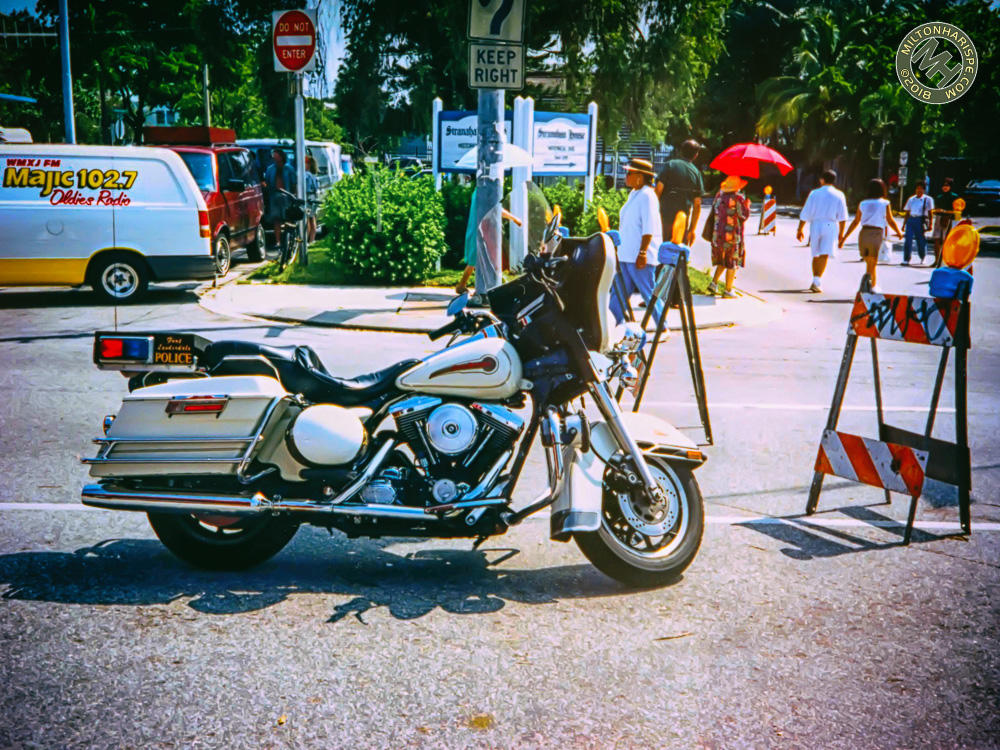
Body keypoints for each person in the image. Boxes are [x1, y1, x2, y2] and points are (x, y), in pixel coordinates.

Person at [609, 158, 664, 325]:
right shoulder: (634, 194)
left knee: (648, 293)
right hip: (626, 253)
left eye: (629, 173)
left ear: (640, 177)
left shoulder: (648, 196)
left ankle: (663, 326)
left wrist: (643, 252)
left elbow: (649, 228)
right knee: (618, 293)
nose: (626, 176)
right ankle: (612, 324)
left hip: (639, 255)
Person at [839, 178, 902, 292]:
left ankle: (869, 284)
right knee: (873, 263)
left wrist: (844, 238)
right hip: (876, 233)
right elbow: (890, 220)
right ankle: (871, 286)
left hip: (863, 233)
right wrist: (899, 233)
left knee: (869, 262)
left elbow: (855, 222)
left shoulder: (863, 203)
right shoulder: (885, 203)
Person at [796, 169, 848, 292]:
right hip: (831, 225)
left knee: (815, 253)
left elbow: (806, 211)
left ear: (822, 180)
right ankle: (817, 280)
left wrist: (800, 228)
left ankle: (815, 279)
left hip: (816, 224)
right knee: (824, 253)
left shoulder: (814, 193)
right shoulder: (839, 194)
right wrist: (841, 233)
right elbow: (843, 216)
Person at [707, 176, 751, 298]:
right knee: (732, 262)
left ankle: (714, 283)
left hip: (718, 235)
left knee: (722, 259)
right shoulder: (738, 198)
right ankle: (728, 290)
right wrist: (747, 205)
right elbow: (743, 216)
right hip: (731, 236)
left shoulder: (718, 196)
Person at [655, 139, 704, 247]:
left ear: (680, 151)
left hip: (664, 217)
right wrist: (692, 230)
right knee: (679, 252)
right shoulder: (696, 173)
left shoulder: (670, 165)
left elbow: (658, 190)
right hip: (682, 220)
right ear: (696, 155)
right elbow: (697, 204)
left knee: (663, 250)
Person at [263, 149, 297, 250]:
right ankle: (278, 241)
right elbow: (267, 182)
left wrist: (294, 195)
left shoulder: (289, 168)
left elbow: (294, 183)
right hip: (274, 196)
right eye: (274, 155)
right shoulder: (270, 169)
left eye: (276, 155)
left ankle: (290, 239)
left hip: (287, 196)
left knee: (288, 218)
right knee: (276, 219)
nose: (274, 157)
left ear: (281, 156)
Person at [902, 180, 934, 265]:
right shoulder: (911, 199)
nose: (919, 190)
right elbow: (907, 212)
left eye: (921, 189)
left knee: (920, 240)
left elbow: (930, 212)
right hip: (911, 220)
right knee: (908, 240)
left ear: (924, 190)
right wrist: (904, 224)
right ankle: (906, 259)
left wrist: (931, 224)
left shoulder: (928, 199)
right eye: (917, 188)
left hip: (920, 220)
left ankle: (922, 257)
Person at [931, 177, 960, 267]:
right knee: (936, 239)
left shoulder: (955, 197)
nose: (945, 187)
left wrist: (945, 211)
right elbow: (935, 209)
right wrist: (936, 210)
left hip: (949, 219)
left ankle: (945, 261)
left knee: (946, 240)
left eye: (947, 185)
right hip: (939, 218)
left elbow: (957, 211)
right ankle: (936, 260)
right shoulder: (939, 197)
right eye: (943, 185)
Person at [304, 155, 319, 243]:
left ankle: (306, 239)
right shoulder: (314, 175)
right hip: (313, 198)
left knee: (306, 218)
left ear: (308, 164)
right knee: (312, 218)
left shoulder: (306, 175)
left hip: (308, 198)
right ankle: (312, 239)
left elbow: (306, 188)